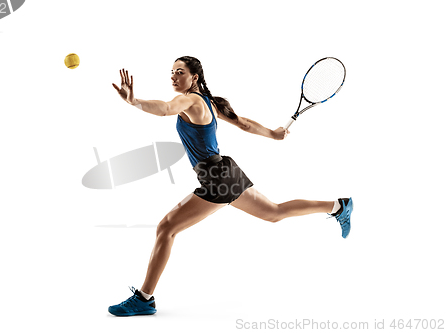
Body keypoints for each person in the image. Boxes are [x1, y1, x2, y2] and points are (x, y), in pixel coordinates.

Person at [108, 56, 353, 316]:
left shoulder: (190, 100)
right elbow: (243, 123)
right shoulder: (210, 104)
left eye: (179, 72)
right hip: (225, 171)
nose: (173, 76)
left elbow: (166, 108)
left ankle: (144, 299)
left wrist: (135, 101)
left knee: (166, 227)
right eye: (171, 72)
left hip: (216, 178)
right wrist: (273, 133)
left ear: (195, 78)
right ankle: (339, 206)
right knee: (274, 213)